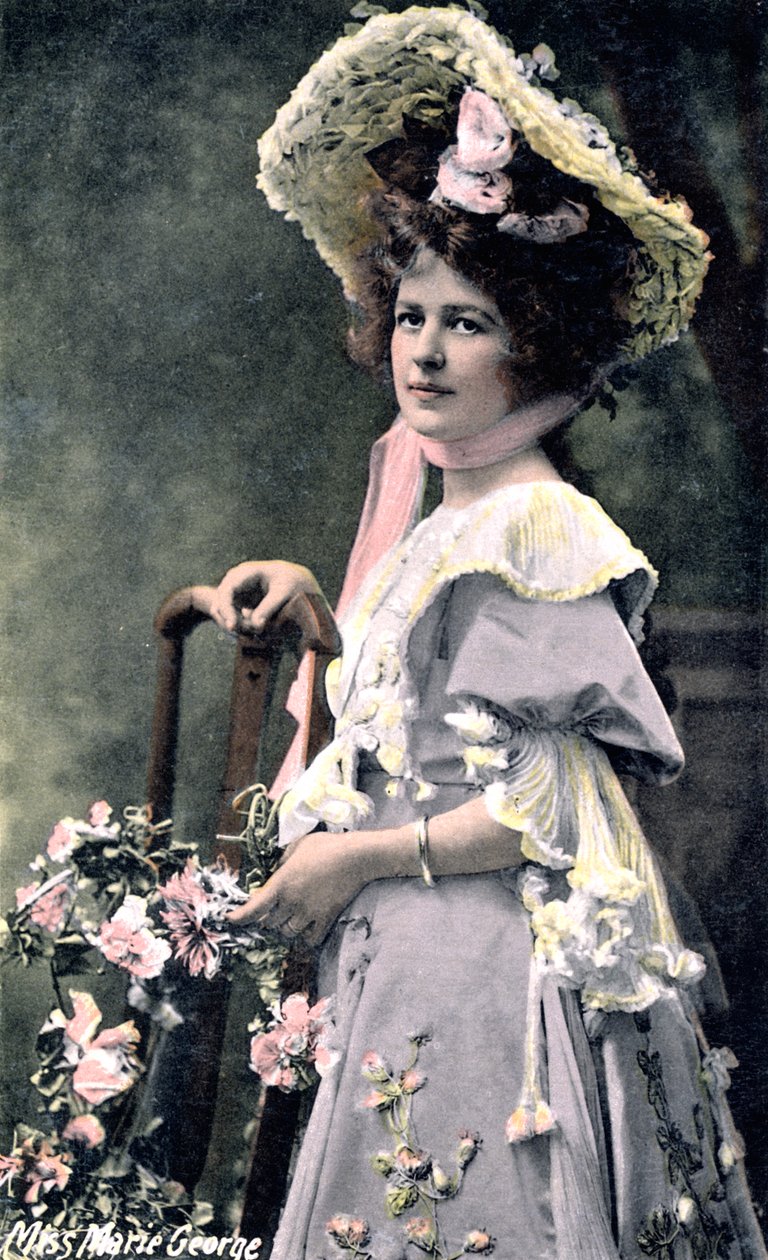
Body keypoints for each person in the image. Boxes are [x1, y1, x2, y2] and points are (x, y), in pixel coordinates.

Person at [206, 9, 765, 1259]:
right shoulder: (447, 513)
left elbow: (543, 807)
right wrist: (315, 608)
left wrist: (351, 863)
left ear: (533, 347)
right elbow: (424, 704)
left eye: (468, 323)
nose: (426, 352)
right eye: (412, 315)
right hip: (409, 948)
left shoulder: (535, 524)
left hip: (483, 962)